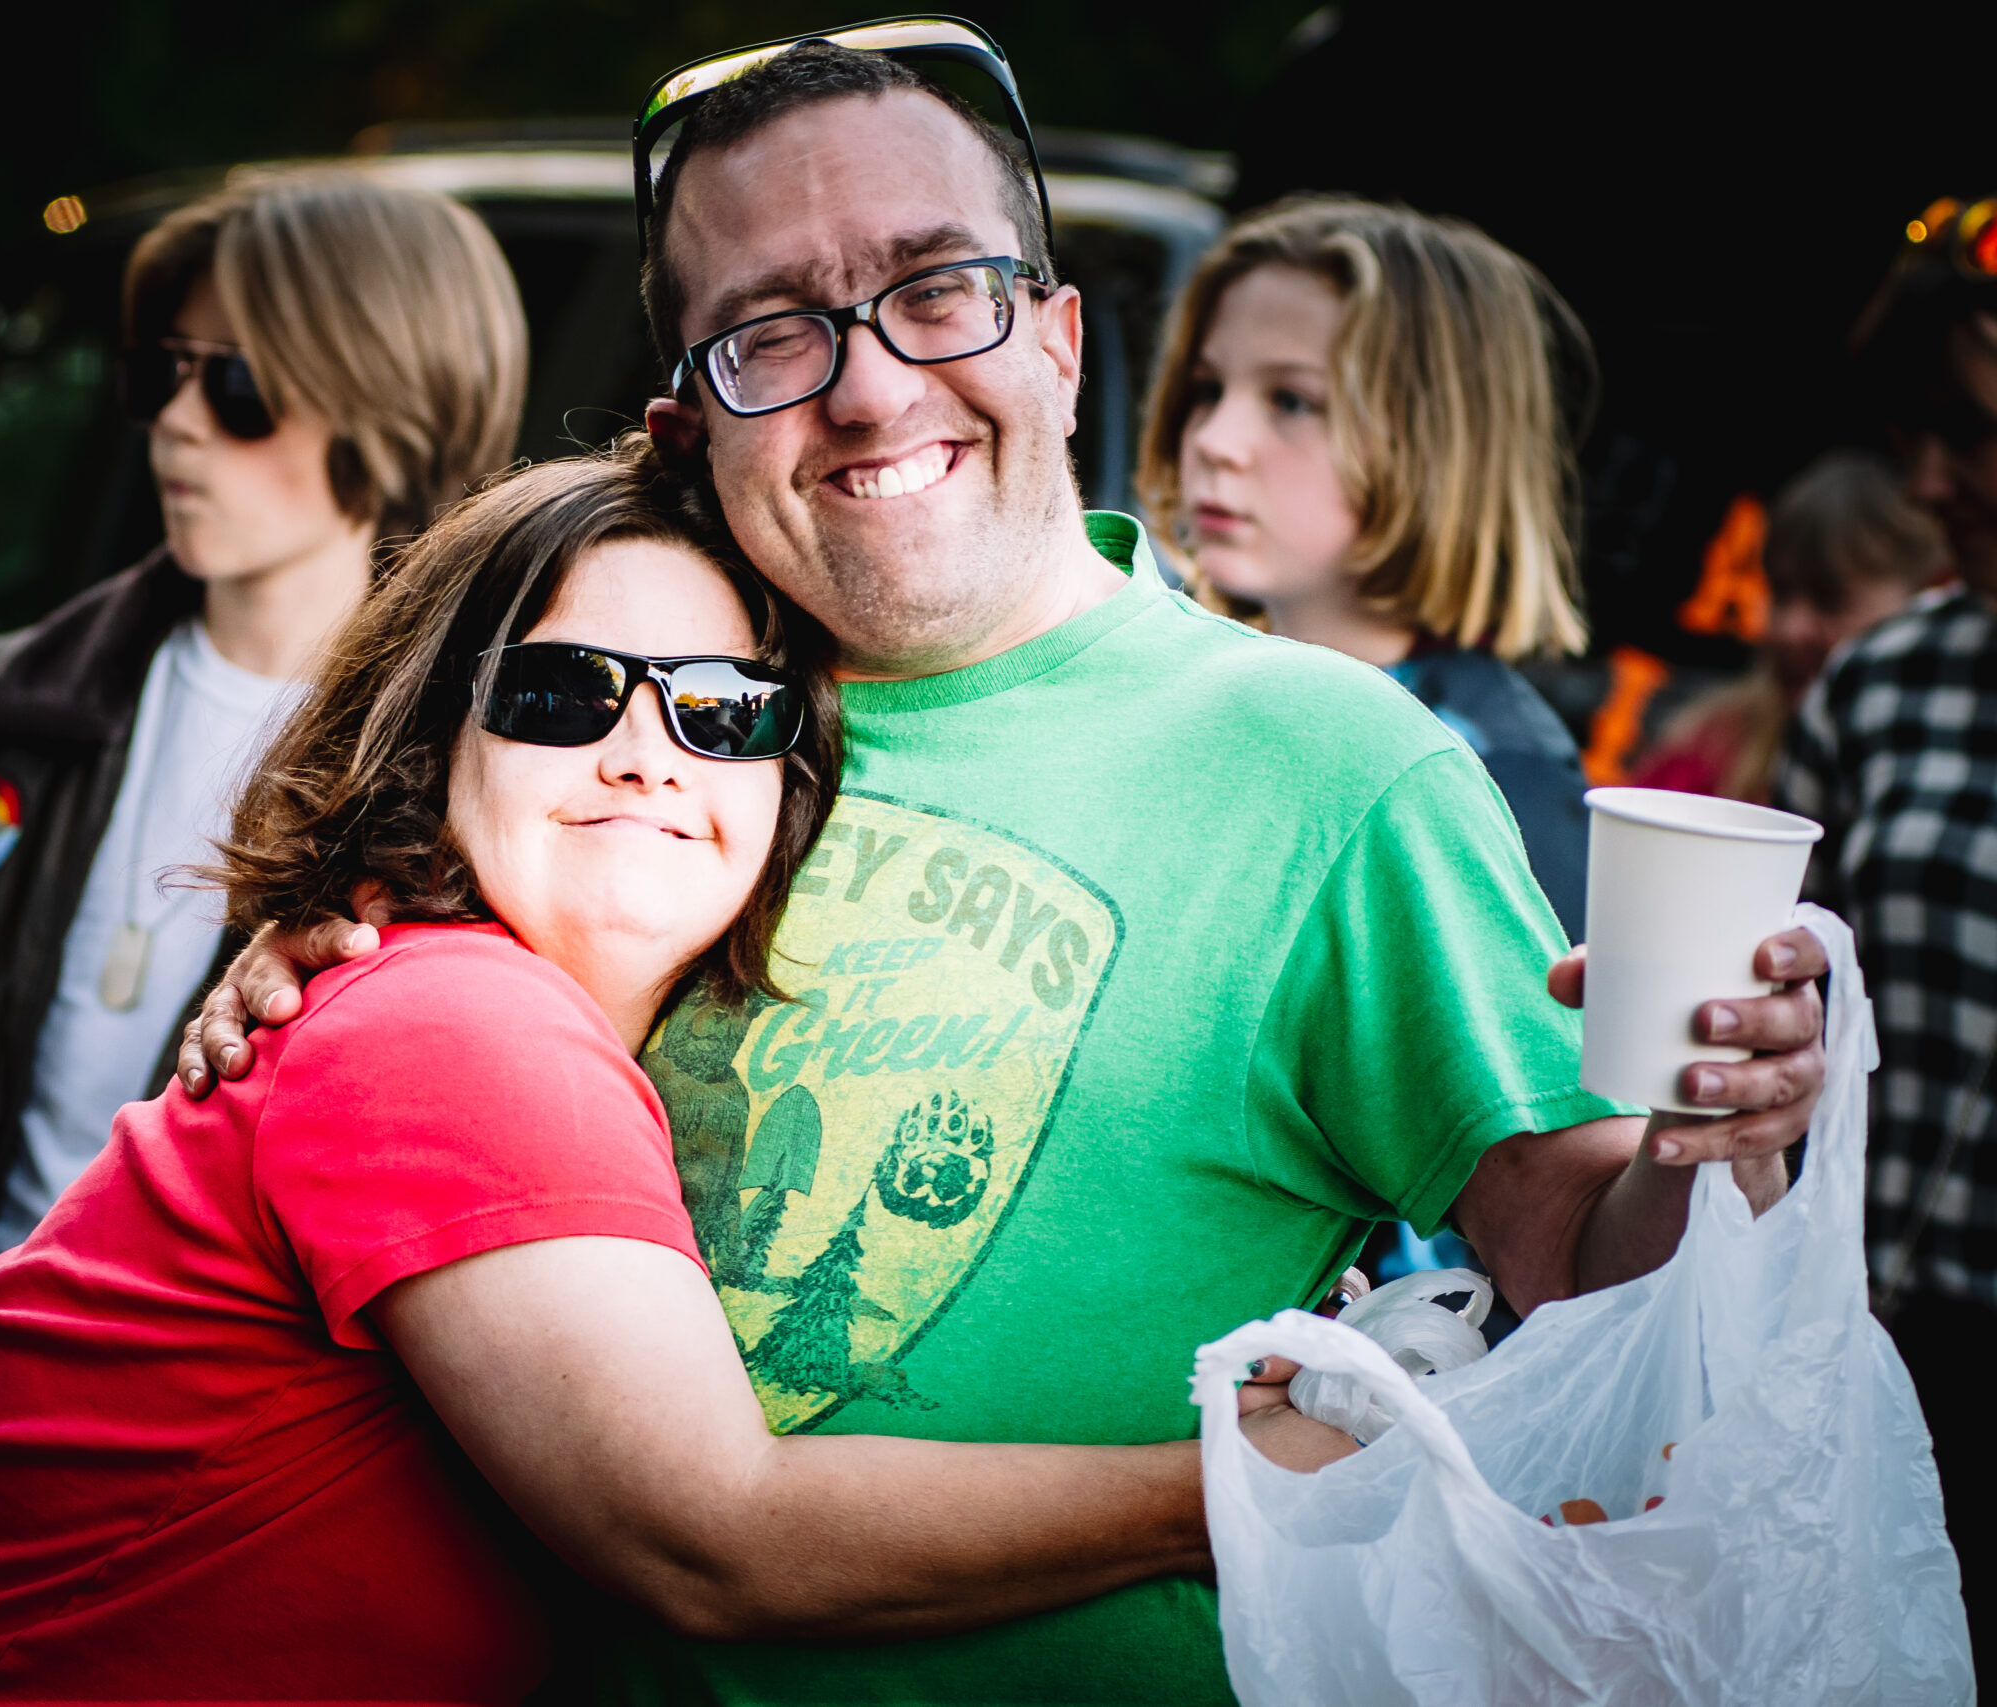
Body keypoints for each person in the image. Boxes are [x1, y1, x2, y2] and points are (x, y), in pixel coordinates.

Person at [181, 30, 1829, 1705]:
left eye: (937, 288)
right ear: (687, 425)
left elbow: (1585, 1270)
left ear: (1058, 336)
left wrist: (1716, 1145)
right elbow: (413, 1032)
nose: (874, 385)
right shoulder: (646, 717)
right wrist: (312, 952)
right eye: (774, 327)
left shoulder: (1328, 767)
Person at [0, 439, 1360, 1705]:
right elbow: (713, 1539)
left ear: (794, 781)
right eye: (567, 694)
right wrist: (1230, 1480)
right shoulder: (452, 1028)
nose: (646, 748)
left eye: (722, 711)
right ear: (433, 750)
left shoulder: (528, 1022)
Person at [0, 168, 527, 1550]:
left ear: (389, 398)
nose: (176, 420)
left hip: (213, 1493)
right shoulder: (26, 696)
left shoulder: (473, 768)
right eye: (161, 372)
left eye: (236, 383)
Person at [1136, 196, 1596, 937]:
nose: (1218, 438)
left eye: (1292, 399)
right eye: (1208, 389)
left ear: (1436, 440)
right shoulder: (1164, 684)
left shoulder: (1497, 775)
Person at [1776, 193, 1997, 1674]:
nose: (1929, 480)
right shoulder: (1880, 685)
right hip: (1883, 1334)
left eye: (1970, 432)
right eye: (1916, 432)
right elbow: (1777, 998)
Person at [1638, 451, 1946, 802]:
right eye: (1780, 595)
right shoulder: (1705, 753)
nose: (1789, 629)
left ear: (1930, 597)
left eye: (1829, 599)